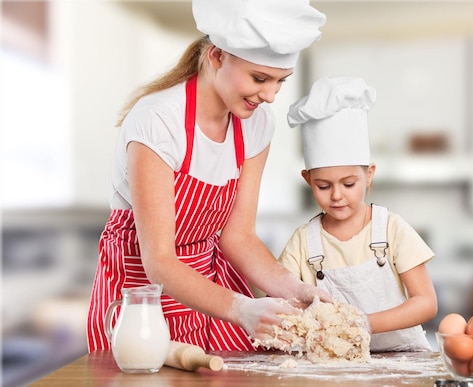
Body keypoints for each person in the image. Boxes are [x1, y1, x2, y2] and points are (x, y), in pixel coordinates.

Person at [87, 0, 331, 353]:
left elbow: (238, 236)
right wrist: (243, 309)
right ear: (216, 56)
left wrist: (298, 290)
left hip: (211, 288)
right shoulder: (158, 122)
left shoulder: (256, 123)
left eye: (281, 81)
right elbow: (159, 262)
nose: (270, 96)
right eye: (260, 79)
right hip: (141, 297)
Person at [278, 76, 438, 352]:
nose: (337, 195)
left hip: (404, 362)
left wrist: (364, 322)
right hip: (334, 366)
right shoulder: (303, 241)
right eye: (323, 186)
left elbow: (426, 303)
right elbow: (281, 303)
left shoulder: (391, 228)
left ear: (369, 175)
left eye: (349, 184)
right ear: (307, 180)